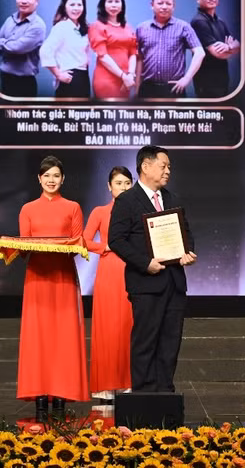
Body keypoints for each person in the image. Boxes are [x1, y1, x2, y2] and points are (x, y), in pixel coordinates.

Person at [108, 145, 197, 392]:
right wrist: (145, 263)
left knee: (170, 342)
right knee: (145, 341)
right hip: (146, 283)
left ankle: (165, 393)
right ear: (145, 167)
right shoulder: (126, 200)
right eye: (163, 165)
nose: (168, 171)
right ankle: (144, 395)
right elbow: (116, 240)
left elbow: (186, 234)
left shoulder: (172, 199)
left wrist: (187, 253)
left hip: (175, 283)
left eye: (169, 167)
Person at [17, 156, 89, 421]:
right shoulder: (27, 209)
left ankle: (60, 397)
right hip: (37, 281)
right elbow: (24, 247)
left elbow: (77, 244)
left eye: (56, 176)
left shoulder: (73, 207)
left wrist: (65, 246)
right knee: (38, 338)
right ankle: (38, 398)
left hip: (63, 279)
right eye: (47, 176)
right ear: (39, 179)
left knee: (63, 338)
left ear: (63, 179)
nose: (51, 180)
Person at [83, 166, 134, 403]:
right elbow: (83, 240)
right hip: (108, 271)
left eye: (126, 183)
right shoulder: (100, 212)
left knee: (129, 326)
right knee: (107, 328)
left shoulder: (137, 211)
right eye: (118, 183)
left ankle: (128, 383)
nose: (123, 187)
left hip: (132, 270)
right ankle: (105, 385)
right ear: (109, 186)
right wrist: (105, 246)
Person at [136, 0, 205, 98]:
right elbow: (139, 58)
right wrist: (137, 88)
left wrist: (186, 79)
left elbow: (200, 53)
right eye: (160, 3)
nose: (164, 6)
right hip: (147, 88)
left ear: (173, 6)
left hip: (173, 89)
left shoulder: (183, 27)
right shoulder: (141, 28)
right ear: (152, 5)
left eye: (168, 3)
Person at [0, 0, 46, 97]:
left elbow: (17, 48)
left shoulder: (38, 25)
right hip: (5, 77)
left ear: (37, 0)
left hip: (24, 83)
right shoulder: (10, 19)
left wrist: (2, 43)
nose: (24, 1)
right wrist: (5, 44)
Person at [190, 0, 240, 98]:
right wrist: (232, 49)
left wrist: (228, 47)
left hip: (222, 79)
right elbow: (218, 54)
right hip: (206, 83)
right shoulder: (199, 22)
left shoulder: (220, 21)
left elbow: (238, 45)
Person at [40, 0, 91, 98]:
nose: (76, 8)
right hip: (70, 77)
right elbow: (45, 51)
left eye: (79, 5)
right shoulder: (61, 27)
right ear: (64, 7)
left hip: (84, 76)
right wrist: (58, 74)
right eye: (72, 4)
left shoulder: (83, 27)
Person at [88, 0, 137, 99]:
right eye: (110, 2)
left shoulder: (128, 27)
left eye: (117, 2)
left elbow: (133, 53)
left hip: (126, 81)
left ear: (122, 5)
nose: (113, 5)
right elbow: (103, 56)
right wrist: (122, 75)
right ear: (103, 5)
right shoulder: (97, 26)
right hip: (106, 80)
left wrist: (130, 75)